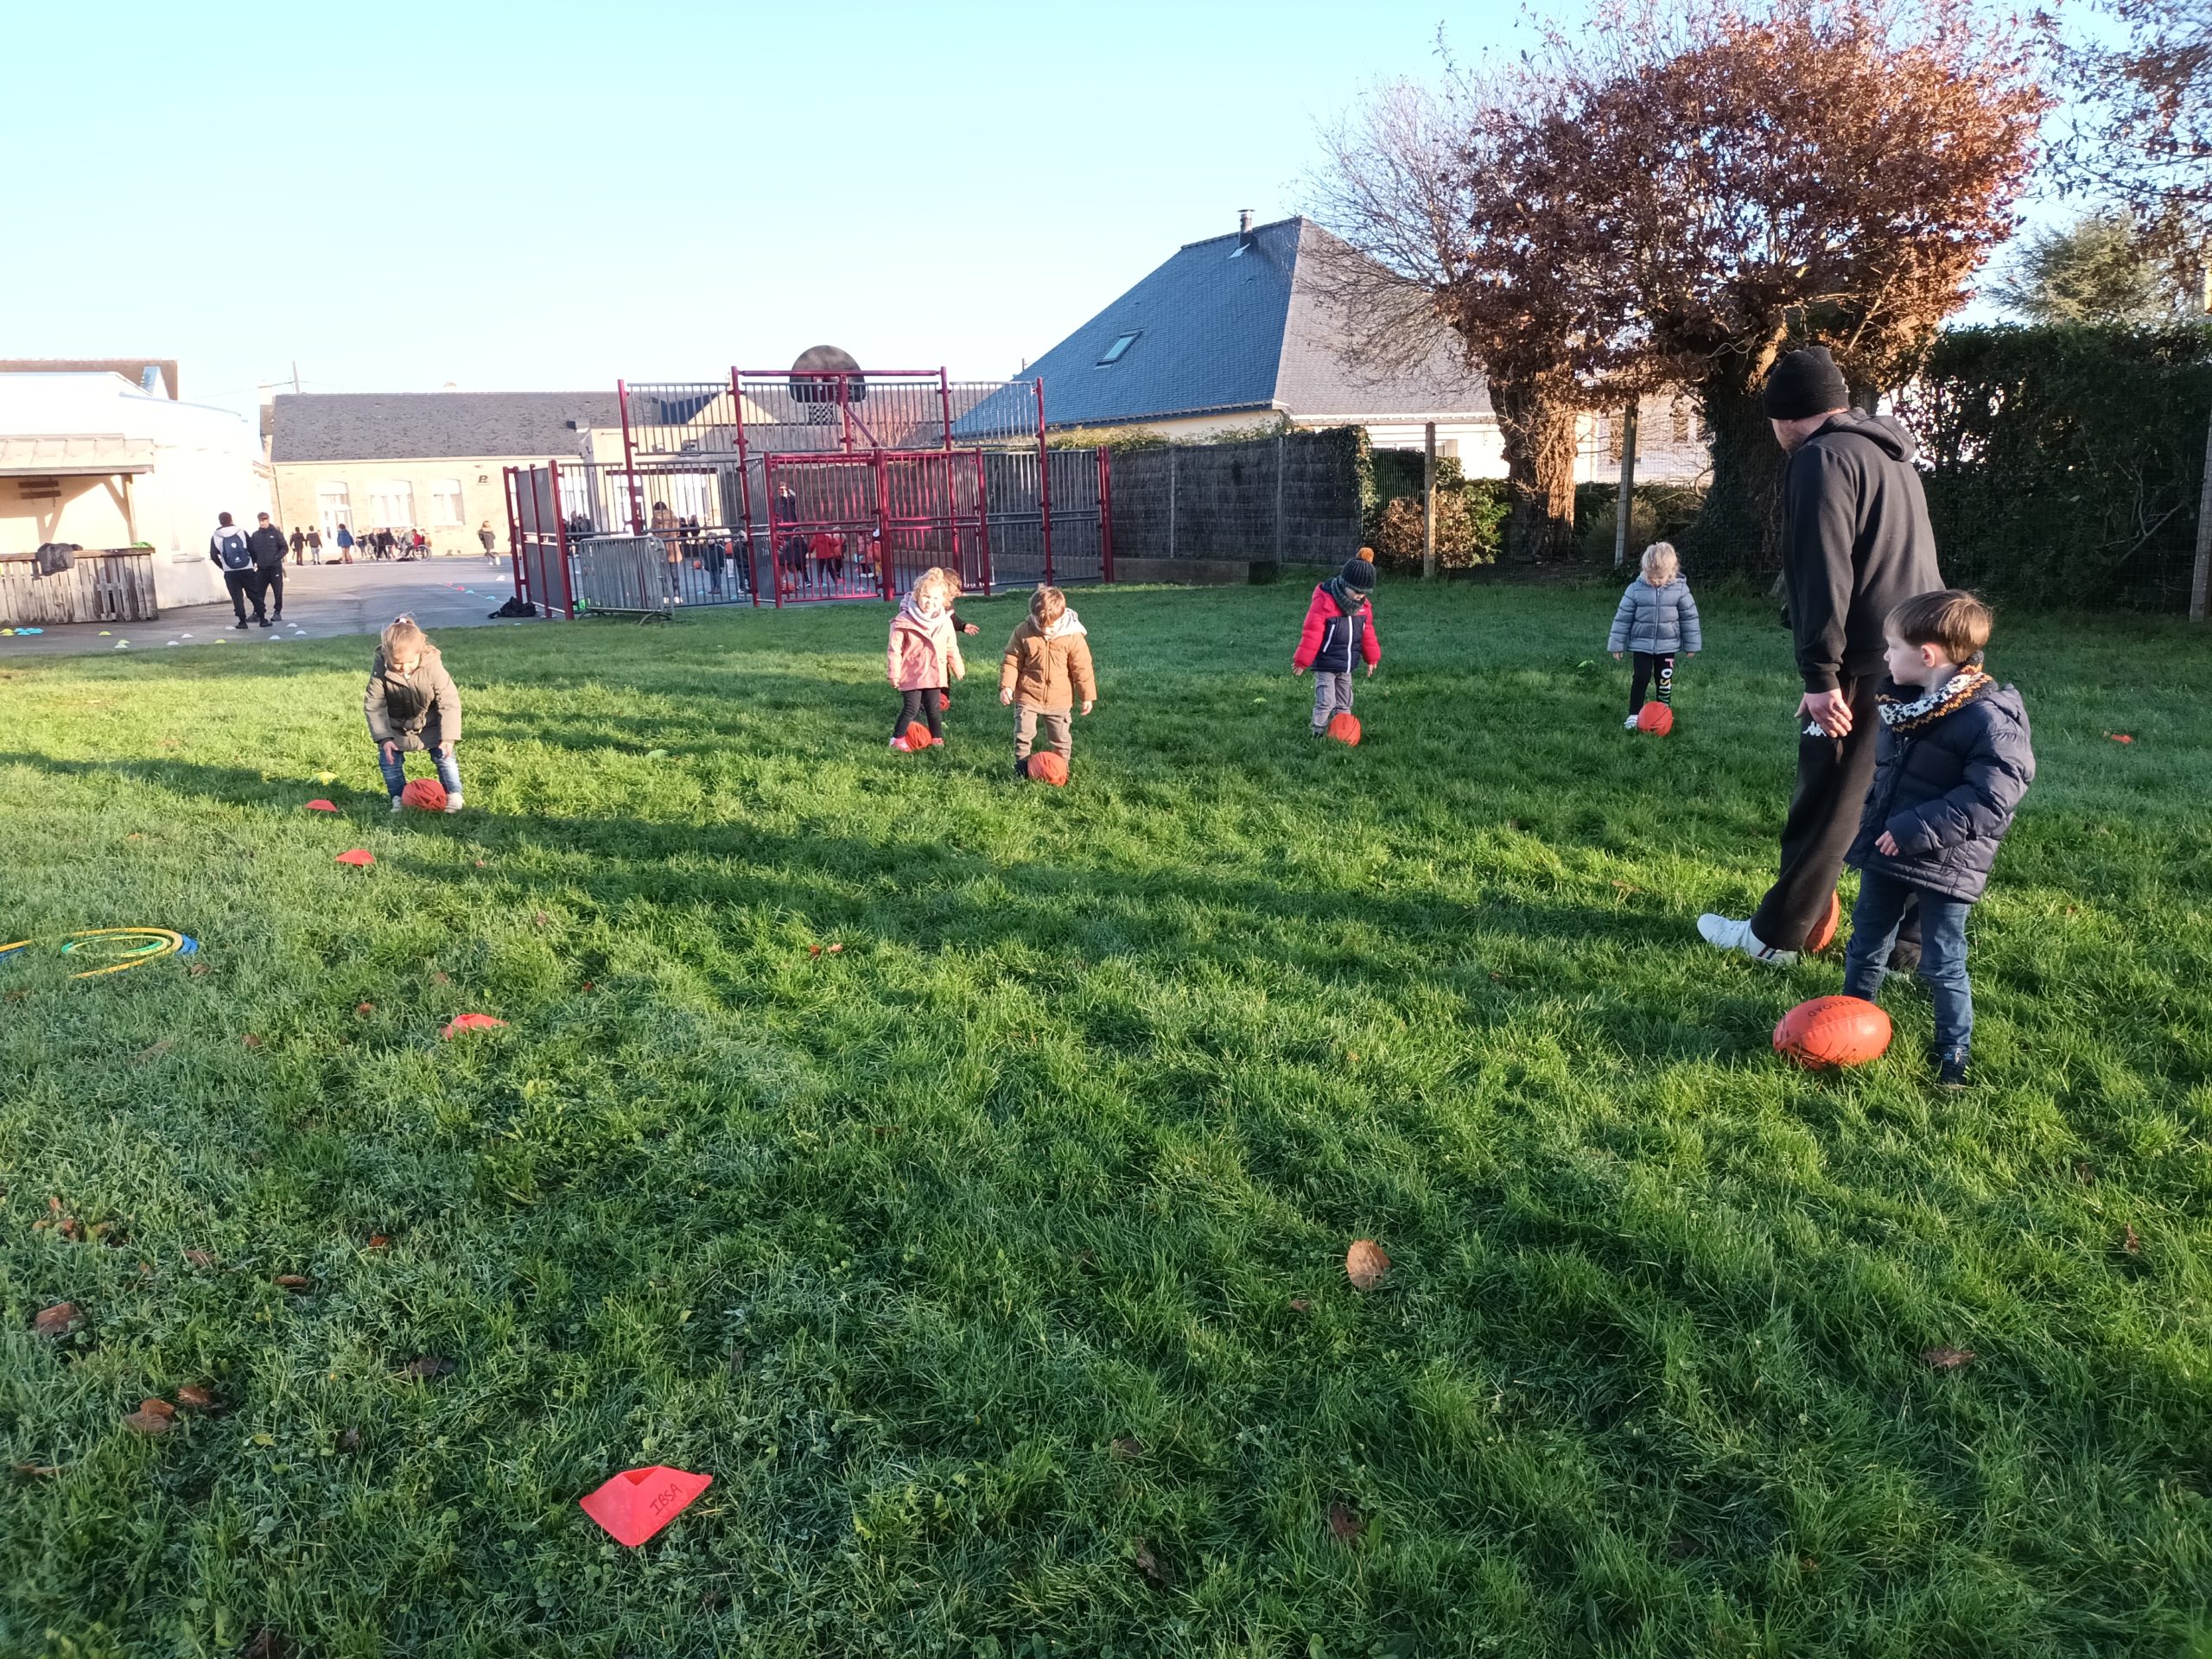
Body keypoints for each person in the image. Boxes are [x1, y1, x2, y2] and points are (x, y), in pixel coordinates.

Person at [1698, 345, 1943, 966]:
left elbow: (1821, 575)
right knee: (1906, 797)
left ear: (1786, 415)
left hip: (1868, 659)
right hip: (1930, 655)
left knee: (1829, 797)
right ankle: (1907, 948)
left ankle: (1776, 937)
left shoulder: (1821, 459)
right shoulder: (1891, 456)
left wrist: (1820, 676)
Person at [1840, 590, 2034, 1087]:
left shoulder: (1990, 718)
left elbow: (1992, 799)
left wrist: (1909, 830)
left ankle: (1953, 1054)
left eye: (1891, 648)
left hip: (1946, 862)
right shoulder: (1905, 706)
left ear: (1926, 656)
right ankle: (1851, 1024)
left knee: (1943, 960)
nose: (1885, 658)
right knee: (1866, 941)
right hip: (1890, 849)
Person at [365, 615, 464, 813]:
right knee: (389, 761)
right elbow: (374, 704)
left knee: (445, 757)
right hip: (396, 726)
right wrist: (384, 738)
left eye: (409, 662)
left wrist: (448, 738)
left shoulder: (433, 666)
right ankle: (399, 798)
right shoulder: (381, 669)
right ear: (388, 656)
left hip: (431, 722)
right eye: (397, 664)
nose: (404, 668)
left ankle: (453, 795)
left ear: (420, 652)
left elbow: (449, 701)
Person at [999, 582, 1096, 779]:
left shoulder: (1073, 637)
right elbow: (1011, 659)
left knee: (1060, 739)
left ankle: (1060, 771)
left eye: (1050, 626)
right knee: (1023, 735)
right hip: (1028, 694)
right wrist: (1007, 686)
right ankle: (1022, 769)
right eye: (1039, 623)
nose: (1045, 630)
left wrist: (1087, 696)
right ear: (1032, 614)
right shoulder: (1023, 631)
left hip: (1059, 698)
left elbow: (1082, 667)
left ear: (1061, 617)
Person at [1607, 541, 1701, 726]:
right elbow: (1622, 618)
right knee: (1641, 676)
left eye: (1660, 576)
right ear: (1645, 569)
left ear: (1672, 570)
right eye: (1651, 576)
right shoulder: (1634, 590)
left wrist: (1692, 644)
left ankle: (1663, 714)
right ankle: (1634, 714)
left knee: (1664, 680)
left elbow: (1690, 617)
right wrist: (1617, 644)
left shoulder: (1680, 590)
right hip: (1641, 644)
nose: (1656, 580)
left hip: (1668, 646)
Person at [1291, 551, 1381, 735]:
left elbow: (1367, 633)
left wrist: (1372, 658)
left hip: (1346, 665)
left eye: (1365, 593)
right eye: (1357, 591)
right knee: (1326, 700)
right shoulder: (1326, 603)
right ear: (1345, 584)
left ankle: (1343, 734)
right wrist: (1302, 661)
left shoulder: (1363, 608)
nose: (1360, 596)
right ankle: (1318, 732)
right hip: (1326, 663)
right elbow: (1312, 633)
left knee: (1345, 702)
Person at [887, 569, 963, 750]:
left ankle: (937, 738)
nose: (930, 602)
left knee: (934, 709)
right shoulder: (903, 620)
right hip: (911, 673)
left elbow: (951, 645)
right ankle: (897, 739)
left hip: (934, 672)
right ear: (917, 595)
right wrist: (894, 674)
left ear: (943, 601)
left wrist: (957, 666)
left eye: (936, 599)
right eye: (926, 597)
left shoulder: (944, 621)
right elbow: (894, 650)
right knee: (911, 708)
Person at [208, 512, 263, 629]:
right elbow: (252, 549)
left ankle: (242, 622)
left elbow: (213, 555)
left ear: (220, 521)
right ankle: (262, 619)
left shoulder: (216, 536)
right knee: (254, 594)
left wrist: (223, 566)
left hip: (230, 571)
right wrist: (252, 562)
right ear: (231, 520)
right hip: (247, 568)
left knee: (237, 597)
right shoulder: (241, 532)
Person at [248, 512, 289, 623]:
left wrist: (276, 557)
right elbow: (251, 550)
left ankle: (277, 612)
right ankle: (257, 612)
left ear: (268, 520)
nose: (262, 522)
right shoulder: (255, 535)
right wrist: (254, 561)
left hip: (274, 568)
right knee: (258, 592)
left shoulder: (276, 533)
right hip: (261, 569)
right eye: (260, 520)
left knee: (277, 591)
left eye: (264, 520)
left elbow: (285, 548)